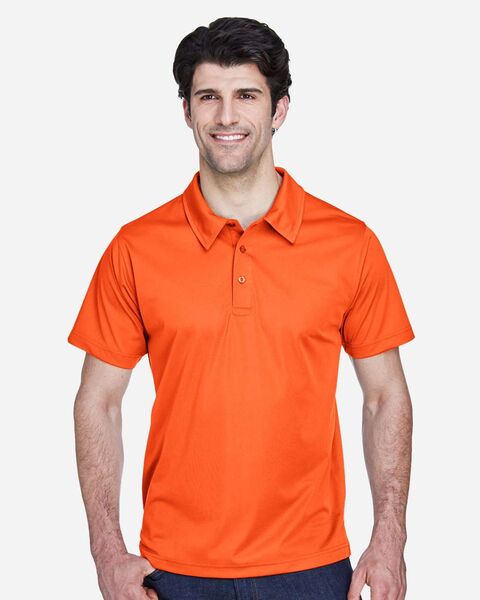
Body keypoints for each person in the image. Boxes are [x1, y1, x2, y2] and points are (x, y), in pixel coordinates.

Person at [67, 16, 414, 600]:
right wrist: (106, 551)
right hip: (171, 571)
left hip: (313, 568)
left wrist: (390, 539)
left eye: (247, 96)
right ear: (187, 111)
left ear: (279, 110)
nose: (226, 116)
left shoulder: (350, 244)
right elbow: (97, 402)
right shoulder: (135, 248)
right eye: (209, 97)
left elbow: (385, 397)